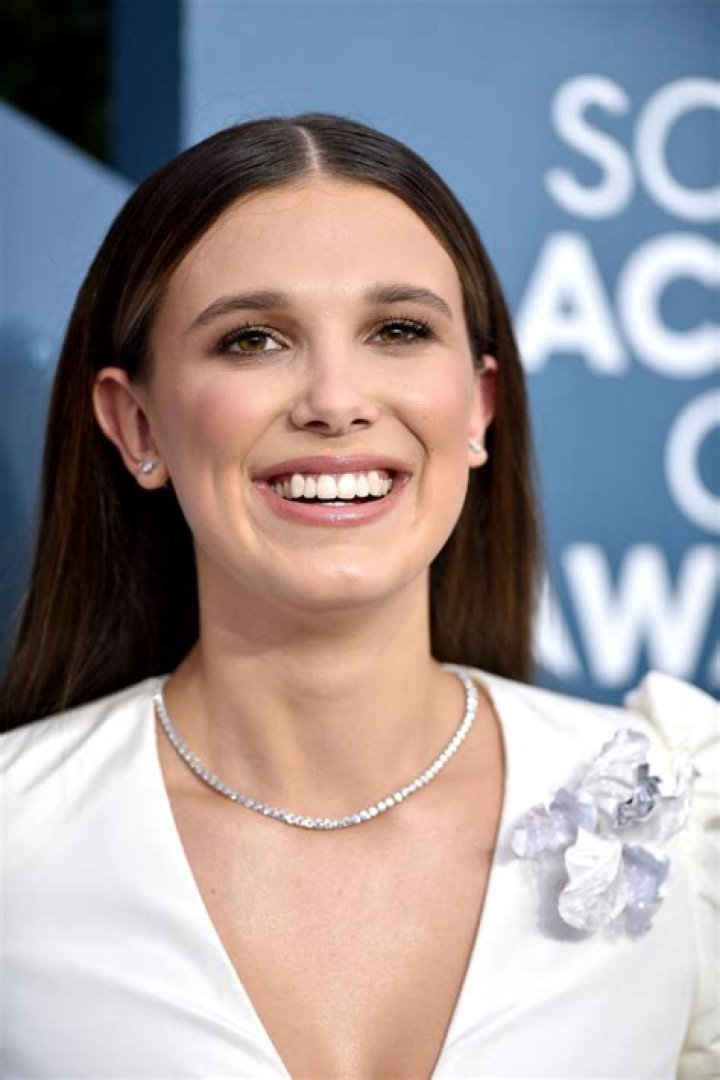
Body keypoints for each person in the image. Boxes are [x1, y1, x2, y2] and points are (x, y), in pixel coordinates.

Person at [0, 114, 716, 1079]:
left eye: (399, 331)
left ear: (478, 407)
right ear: (137, 426)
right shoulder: (14, 840)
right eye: (252, 340)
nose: (335, 401)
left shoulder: (682, 816)